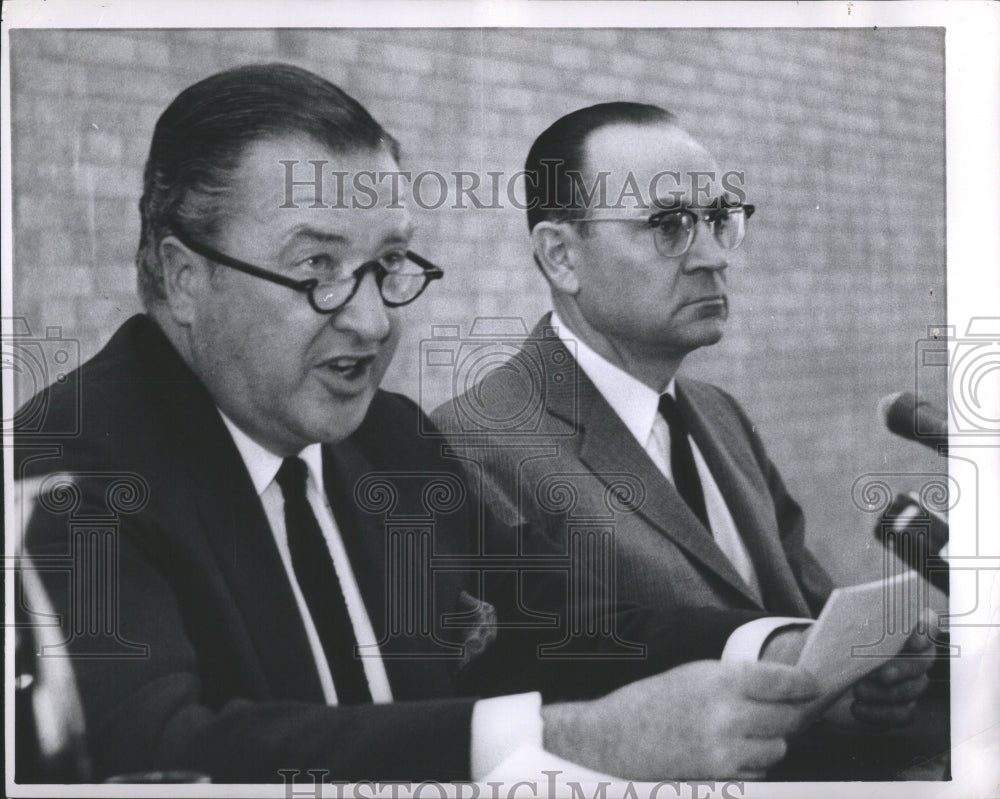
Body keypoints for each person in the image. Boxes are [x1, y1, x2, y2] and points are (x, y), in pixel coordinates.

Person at [13, 65, 825, 785]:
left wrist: (777, 649)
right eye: (317, 270)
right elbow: (155, 751)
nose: (370, 322)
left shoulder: (390, 440)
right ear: (185, 277)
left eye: (387, 264)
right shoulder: (61, 472)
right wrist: (562, 741)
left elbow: (567, 624)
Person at [430, 102, 937, 771]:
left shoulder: (718, 413)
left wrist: (870, 671)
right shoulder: (472, 447)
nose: (711, 258)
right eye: (668, 225)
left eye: (719, 220)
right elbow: (523, 701)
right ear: (561, 256)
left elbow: (804, 620)